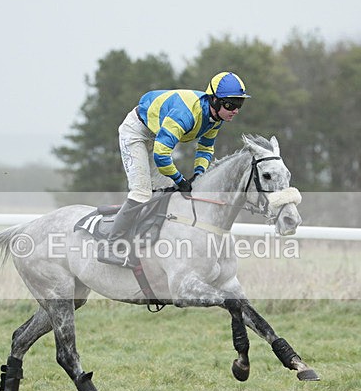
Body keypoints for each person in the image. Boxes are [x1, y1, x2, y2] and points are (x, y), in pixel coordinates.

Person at [97, 71, 251, 266]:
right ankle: (110, 246)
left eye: (240, 104)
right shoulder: (185, 115)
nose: (235, 110)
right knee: (142, 192)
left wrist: (198, 175)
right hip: (136, 132)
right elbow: (161, 155)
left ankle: (142, 237)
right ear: (214, 100)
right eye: (231, 104)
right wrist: (181, 180)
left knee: (167, 192)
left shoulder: (215, 118)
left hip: (155, 134)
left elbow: (205, 148)